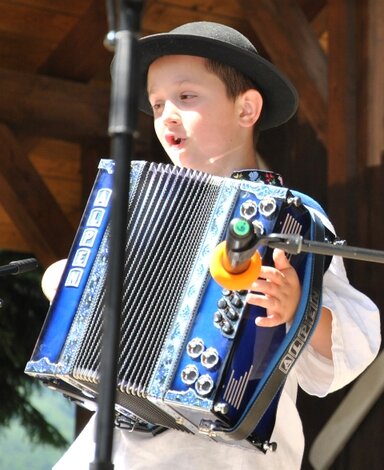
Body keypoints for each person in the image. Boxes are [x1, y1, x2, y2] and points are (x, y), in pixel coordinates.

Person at [52, 22, 380, 469]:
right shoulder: (137, 207)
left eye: (186, 98)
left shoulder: (294, 217)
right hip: (120, 449)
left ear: (247, 109)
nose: (167, 114)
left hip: (222, 456)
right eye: (157, 103)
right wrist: (72, 282)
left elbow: (350, 345)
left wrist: (299, 306)